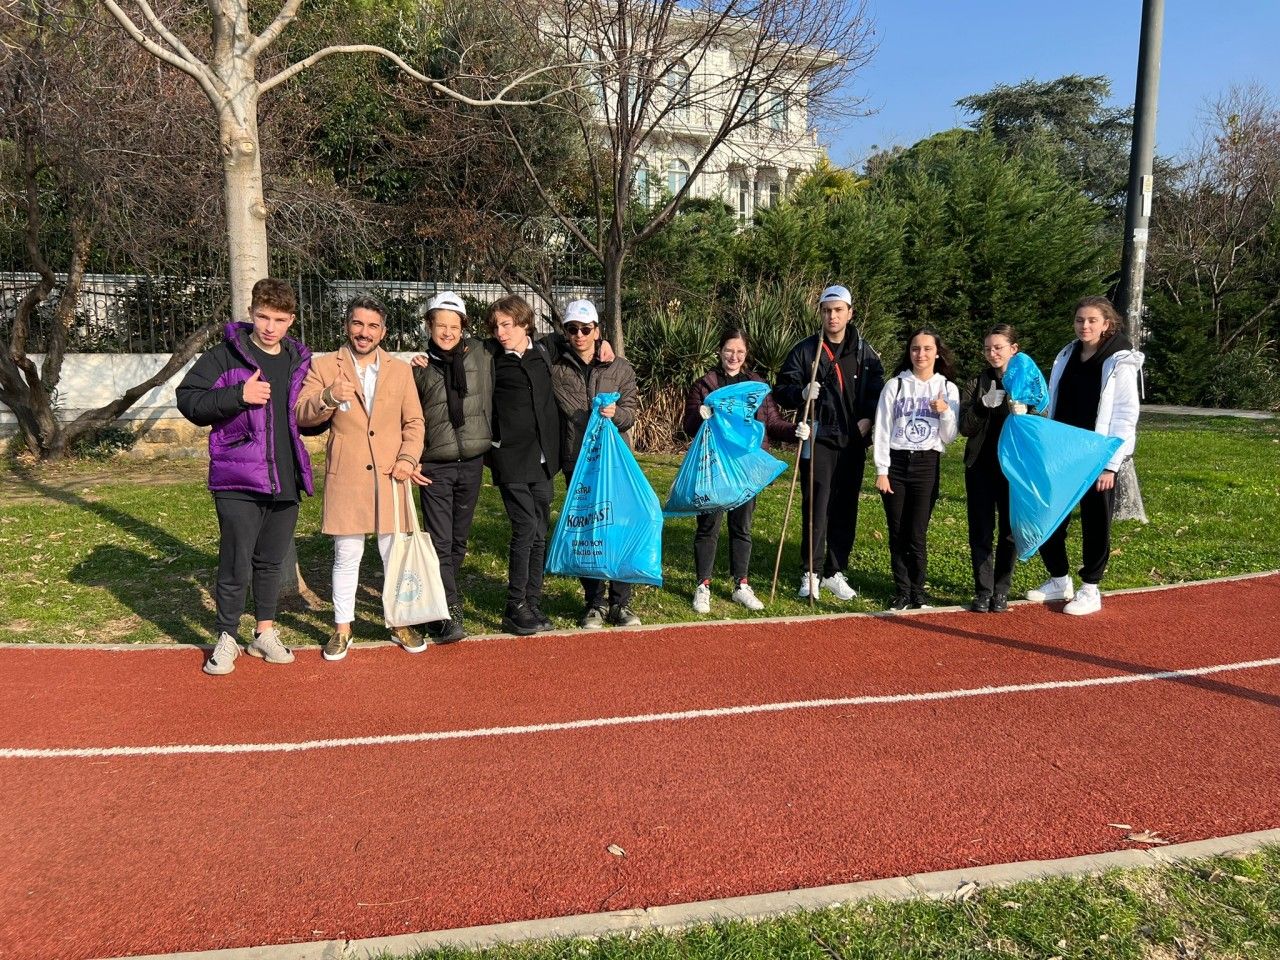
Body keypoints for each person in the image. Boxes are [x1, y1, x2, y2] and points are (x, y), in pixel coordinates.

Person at [176, 278, 312, 676]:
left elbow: (300, 421)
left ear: (291, 320)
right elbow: (189, 400)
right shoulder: (224, 356)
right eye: (263, 316)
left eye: (280, 319)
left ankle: (264, 633)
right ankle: (226, 636)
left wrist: (325, 410)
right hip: (237, 478)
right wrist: (238, 395)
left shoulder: (298, 360)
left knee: (270, 562)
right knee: (236, 561)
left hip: (285, 477)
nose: (270, 326)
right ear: (251, 313)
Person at [296, 295, 428, 661]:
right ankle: (342, 628)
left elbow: (414, 423)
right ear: (347, 326)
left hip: (392, 476)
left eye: (372, 326)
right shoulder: (324, 366)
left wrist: (407, 458)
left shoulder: (400, 370)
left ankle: (399, 621)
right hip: (348, 476)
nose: (364, 332)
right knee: (347, 554)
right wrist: (327, 396)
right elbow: (302, 414)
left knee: (394, 554)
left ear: (383, 331)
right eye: (358, 324)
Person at [1027, 295, 1144, 615]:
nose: (1085, 326)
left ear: (1107, 324)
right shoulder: (1066, 353)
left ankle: (1091, 588)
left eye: (1092, 320)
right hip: (1063, 449)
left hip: (1097, 454)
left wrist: (1111, 464)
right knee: (1049, 516)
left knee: (1096, 521)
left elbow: (1124, 415)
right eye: (1080, 320)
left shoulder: (1120, 360)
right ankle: (1058, 578)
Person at [774, 284, 884, 601]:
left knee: (845, 507)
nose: (832, 316)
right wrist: (801, 393)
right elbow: (782, 388)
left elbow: (879, 392)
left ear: (850, 312)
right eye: (826, 310)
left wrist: (869, 417)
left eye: (838, 310)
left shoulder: (865, 352)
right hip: (818, 436)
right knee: (816, 505)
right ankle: (811, 572)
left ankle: (835, 572)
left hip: (852, 440)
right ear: (820, 313)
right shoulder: (806, 350)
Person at [683, 327, 803, 614]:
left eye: (739, 352)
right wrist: (700, 417)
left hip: (746, 467)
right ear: (720, 351)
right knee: (708, 526)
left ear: (746, 355)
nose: (734, 356)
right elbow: (688, 425)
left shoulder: (757, 386)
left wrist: (794, 430)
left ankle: (741, 585)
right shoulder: (705, 385)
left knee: (742, 526)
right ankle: (703, 585)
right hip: (713, 465)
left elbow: (771, 422)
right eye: (729, 350)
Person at [550, 299, 643, 628]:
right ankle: (594, 602)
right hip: (578, 461)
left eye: (586, 329)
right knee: (587, 531)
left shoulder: (620, 368)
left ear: (597, 330)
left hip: (614, 463)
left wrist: (616, 414)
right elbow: (522, 340)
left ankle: (621, 603)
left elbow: (631, 412)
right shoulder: (555, 366)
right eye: (572, 329)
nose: (579, 335)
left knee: (617, 530)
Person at [412, 292, 491, 644]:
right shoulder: (417, 367)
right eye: (440, 325)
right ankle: (449, 612)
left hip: (472, 463)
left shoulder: (482, 353)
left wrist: (601, 344)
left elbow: (525, 337)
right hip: (435, 466)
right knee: (440, 542)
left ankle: (438, 601)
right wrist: (410, 456)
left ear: (464, 328)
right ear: (429, 326)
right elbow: (407, 418)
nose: (447, 332)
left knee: (458, 541)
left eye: (454, 326)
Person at [486, 294, 563, 637]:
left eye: (507, 324)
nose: (501, 332)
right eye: (496, 326)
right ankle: (514, 605)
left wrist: (604, 343)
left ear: (524, 323)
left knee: (541, 529)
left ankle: (533, 601)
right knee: (526, 527)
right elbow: (451, 353)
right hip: (511, 458)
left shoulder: (544, 352)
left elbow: (583, 342)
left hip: (545, 458)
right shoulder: (488, 356)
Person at [872, 327, 960, 610]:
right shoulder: (895, 386)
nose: (920, 354)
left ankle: (918, 592)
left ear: (937, 352)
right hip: (896, 463)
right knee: (897, 530)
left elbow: (950, 436)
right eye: (915, 348)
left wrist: (944, 411)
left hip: (926, 463)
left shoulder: (947, 388)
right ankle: (902, 590)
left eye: (926, 349)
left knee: (917, 531)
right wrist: (881, 470)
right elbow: (882, 430)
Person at [959, 324, 1024, 613]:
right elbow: (964, 427)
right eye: (988, 348)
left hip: (1014, 469)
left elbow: (1043, 415)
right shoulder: (977, 383)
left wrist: (1026, 411)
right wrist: (983, 406)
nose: (992, 353)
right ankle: (983, 591)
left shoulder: (1026, 381)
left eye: (998, 347)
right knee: (981, 530)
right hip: (981, 466)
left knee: (1010, 531)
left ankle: (1001, 590)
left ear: (1014, 349)